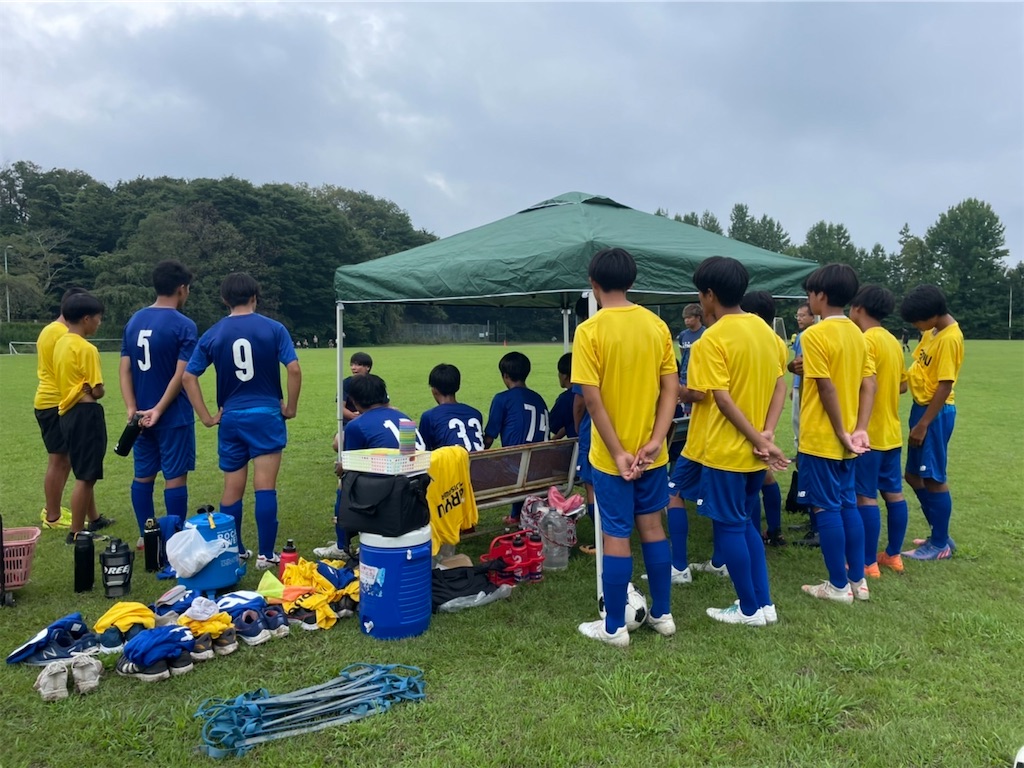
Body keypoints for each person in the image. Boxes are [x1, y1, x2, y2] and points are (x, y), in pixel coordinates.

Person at [571, 247, 678, 646]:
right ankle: (663, 614)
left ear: (593, 284)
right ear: (632, 282)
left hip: (610, 456)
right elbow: (671, 390)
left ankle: (614, 627)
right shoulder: (657, 326)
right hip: (652, 454)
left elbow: (592, 400)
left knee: (616, 535)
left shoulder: (590, 331)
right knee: (652, 527)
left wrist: (617, 452)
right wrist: (655, 441)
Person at [687, 259, 788, 626]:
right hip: (755, 451)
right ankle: (764, 604)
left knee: (730, 526)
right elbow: (780, 386)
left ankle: (748, 609)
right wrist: (767, 434)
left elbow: (723, 400)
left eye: (700, 295)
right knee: (746, 523)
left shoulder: (711, 339)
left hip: (727, 451)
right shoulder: (767, 333)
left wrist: (759, 438)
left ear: (709, 295)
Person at [183, 272, 301, 571]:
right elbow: (294, 369)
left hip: (231, 418)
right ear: (255, 297)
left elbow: (188, 377)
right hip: (266, 415)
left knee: (232, 488)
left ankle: (234, 551)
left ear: (224, 299)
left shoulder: (214, 333)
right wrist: (290, 407)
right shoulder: (274, 328)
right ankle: (266, 554)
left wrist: (207, 417)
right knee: (265, 487)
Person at [797, 263, 875, 605]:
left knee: (826, 509)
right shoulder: (858, 334)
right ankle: (858, 581)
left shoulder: (814, 334)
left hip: (823, 437)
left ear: (821, 295)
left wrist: (842, 431)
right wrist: (860, 428)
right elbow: (869, 384)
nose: (809, 300)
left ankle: (838, 586)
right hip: (849, 439)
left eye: (810, 294)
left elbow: (825, 387)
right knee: (847, 505)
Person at [119, 260, 198, 543]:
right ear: (182, 289)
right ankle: (174, 538)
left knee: (143, 475)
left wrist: (132, 408)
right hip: (172, 415)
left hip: (140, 416)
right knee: (175, 476)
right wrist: (160, 409)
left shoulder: (134, 320)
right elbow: (181, 375)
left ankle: (147, 535)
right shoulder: (184, 325)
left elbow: (125, 369)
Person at [899, 284, 964, 560]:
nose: (916, 326)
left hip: (934, 413)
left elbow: (945, 385)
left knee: (934, 478)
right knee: (913, 475)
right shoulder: (931, 331)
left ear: (933, 314)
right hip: (921, 408)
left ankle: (939, 545)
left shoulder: (950, 338)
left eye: (917, 320)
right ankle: (940, 533)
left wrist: (924, 423)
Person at [849, 285, 909, 575]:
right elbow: (903, 385)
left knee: (865, 496)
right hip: (891, 432)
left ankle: (867, 562)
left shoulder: (865, 340)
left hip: (868, 433)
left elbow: (865, 384)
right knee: (894, 493)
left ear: (858, 308)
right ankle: (893, 555)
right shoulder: (892, 341)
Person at [53, 292, 116, 543]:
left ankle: (91, 520)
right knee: (86, 476)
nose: (99, 323)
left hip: (67, 413)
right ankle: (77, 532)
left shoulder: (60, 343)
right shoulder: (86, 348)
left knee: (82, 469)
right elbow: (97, 390)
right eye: (98, 318)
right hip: (86, 413)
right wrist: (95, 390)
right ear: (87, 319)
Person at [739, 290, 790, 547]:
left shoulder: (754, 339)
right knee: (764, 477)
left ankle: (754, 533)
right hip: (767, 417)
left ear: (755, 315)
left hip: (748, 418)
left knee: (752, 481)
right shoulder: (778, 342)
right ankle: (774, 529)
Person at [33, 286, 86, 530]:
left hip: (54, 400)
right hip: (55, 401)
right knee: (59, 460)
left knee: (68, 459)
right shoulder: (61, 333)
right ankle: (52, 516)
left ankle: (56, 509)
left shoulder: (51, 330)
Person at [483, 351, 549, 525]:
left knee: (503, 461)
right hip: (543, 469)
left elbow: (489, 438)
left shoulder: (502, 399)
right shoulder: (539, 399)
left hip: (517, 470)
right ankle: (516, 515)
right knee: (519, 458)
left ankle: (468, 523)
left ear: (505, 376)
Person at [788, 301, 819, 546]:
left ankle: (816, 520)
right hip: (801, 389)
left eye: (803, 315)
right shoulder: (802, 336)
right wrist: (794, 386)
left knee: (804, 447)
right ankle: (810, 513)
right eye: (797, 315)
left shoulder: (811, 336)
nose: (799, 318)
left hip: (808, 394)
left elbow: (799, 365)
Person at [417, 364, 485, 451]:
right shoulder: (475, 413)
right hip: (480, 459)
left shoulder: (429, 416)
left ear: (434, 390)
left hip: (453, 459)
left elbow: (423, 450)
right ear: (458, 387)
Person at [548, 353, 578, 440]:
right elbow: (570, 422)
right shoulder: (591, 392)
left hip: (579, 444)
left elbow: (553, 425)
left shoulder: (565, 399)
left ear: (564, 376)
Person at [342, 352, 373, 425]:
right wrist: (355, 417)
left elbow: (385, 405)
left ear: (367, 367)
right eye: (351, 365)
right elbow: (340, 408)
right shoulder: (346, 383)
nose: (353, 368)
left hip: (371, 421)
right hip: (351, 423)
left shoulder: (375, 383)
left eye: (358, 365)